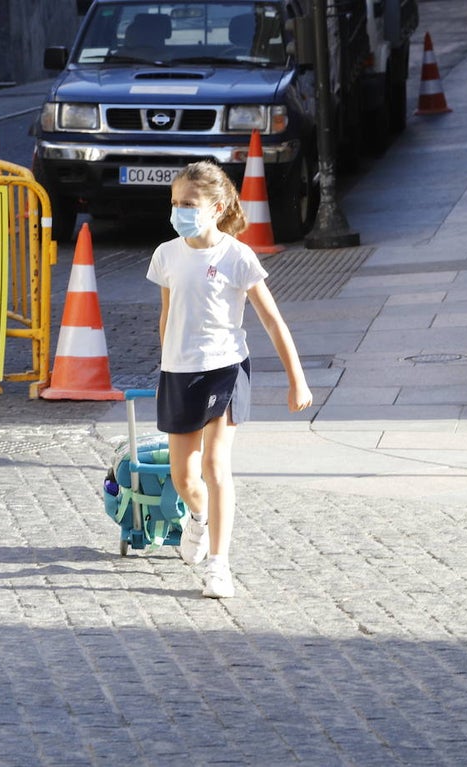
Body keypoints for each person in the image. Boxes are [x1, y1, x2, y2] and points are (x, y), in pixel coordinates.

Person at [145, 161, 312, 599]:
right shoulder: (166, 254)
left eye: (189, 204)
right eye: (175, 203)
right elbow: (167, 314)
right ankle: (198, 520)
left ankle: (219, 565)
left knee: (215, 467)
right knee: (183, 478)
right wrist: (165, 365)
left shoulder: (237, 256)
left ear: (216, 208)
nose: (180, 210)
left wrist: (298, 381)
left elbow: (273, 321)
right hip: (179, 372)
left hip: (225, 368)